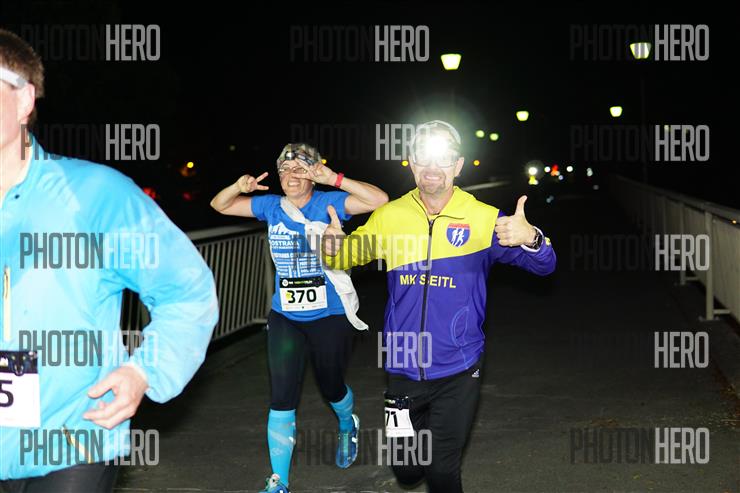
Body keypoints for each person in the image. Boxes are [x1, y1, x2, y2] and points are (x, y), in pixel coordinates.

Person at [0, 28, 219, 491]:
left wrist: (143, 370)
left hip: (72, 437)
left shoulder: (95, 194)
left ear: (23, 101)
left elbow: (187, 289)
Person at [323, 120, 556, 492]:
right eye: (423, 157)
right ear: (411, 163)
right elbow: (344, 257)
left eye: (444, 158)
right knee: (407, 471)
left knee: (442, 471)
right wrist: (333, 245)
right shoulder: (390, 216)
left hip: (459, 365)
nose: (433, 167)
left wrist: (532, 238)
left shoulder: (483, 218)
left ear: (458, 165)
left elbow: (545, 266)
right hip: (402, 361)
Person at [211, 142, 388, 493]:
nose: (290, 176)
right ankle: (279, 480)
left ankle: (347, 423)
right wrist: (238, 186)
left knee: (331, 385)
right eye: (284, 170)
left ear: (312, 173)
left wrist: (334, 178)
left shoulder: (327, 202)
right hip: (285, 317)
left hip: (329, 315)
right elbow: (220, 205)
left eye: (298, 169)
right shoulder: (270, 206)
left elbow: (378, 200)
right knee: (281, 396)